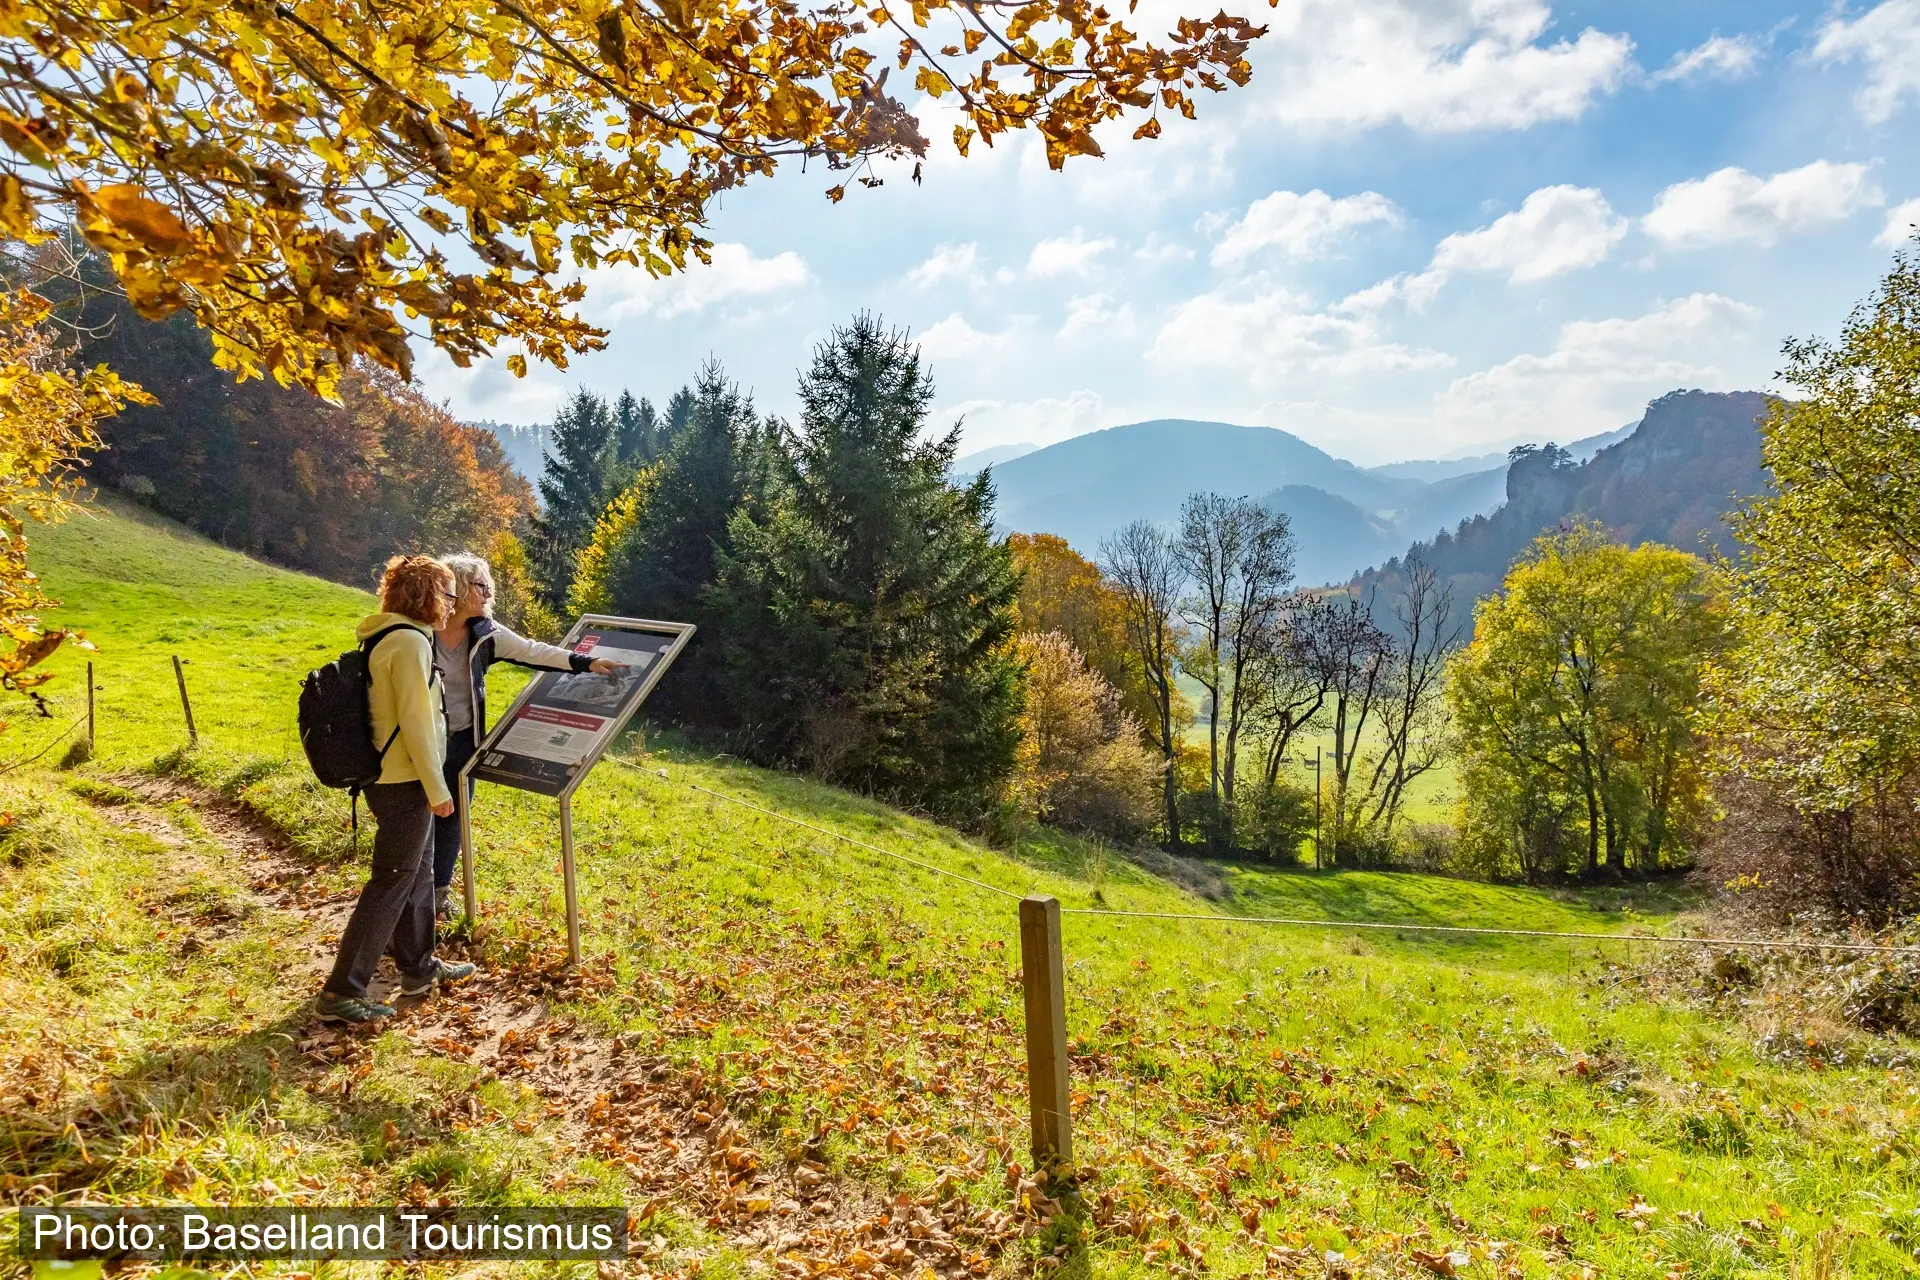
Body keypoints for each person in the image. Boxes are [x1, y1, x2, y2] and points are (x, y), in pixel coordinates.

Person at [318, 555, 477, 1024]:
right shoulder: (409, 642)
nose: (452, 605)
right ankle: (341, 991)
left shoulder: (388, 634)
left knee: (418, 874)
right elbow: (417, 723)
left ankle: (419, 967)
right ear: (426, 595)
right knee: (391, 881)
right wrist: (437, 787)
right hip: (403, 780)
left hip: (392, 776)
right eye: (448, 595)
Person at [433, 552, 621, 918]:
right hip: (419, 743)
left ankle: (437, 895)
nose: (489, 596)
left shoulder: (486, 633)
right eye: (482, 587)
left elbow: (534, 651)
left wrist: (586, 662)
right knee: (418, 824)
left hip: (462, 742)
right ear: (458, 588)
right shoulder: (420, 629)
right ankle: (408, 903)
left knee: (454, 820)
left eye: (489, 587)